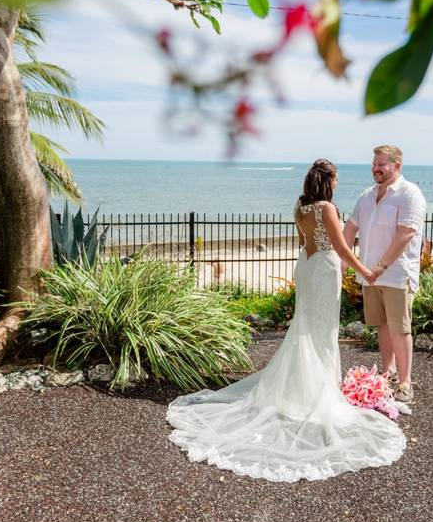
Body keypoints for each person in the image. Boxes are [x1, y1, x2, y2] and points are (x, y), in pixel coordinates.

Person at [167, 159, 406, 482]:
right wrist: (365, 271)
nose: (336, 185)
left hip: (306, 266)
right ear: (328, 181)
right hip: (322, 270)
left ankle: (303, 391)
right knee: (322, 332)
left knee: (305, 329)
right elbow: (340, 247)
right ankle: (317, 394)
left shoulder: (300, 207)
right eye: (335, 180)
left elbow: (304, 242)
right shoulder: (326, 209)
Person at [343, 145, 425, 404]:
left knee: (400, 329)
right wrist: (340, 266)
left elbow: (406, 234)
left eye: (381, 164)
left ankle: (405, 383)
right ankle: (387, 374)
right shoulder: (366, 196)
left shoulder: (409, 194)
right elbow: (350, 229)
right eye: (374, 164)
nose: (376, 168)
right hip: (369, 275)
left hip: (397, 275)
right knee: (382, 325)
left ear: (396, 166)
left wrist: (380, 266)